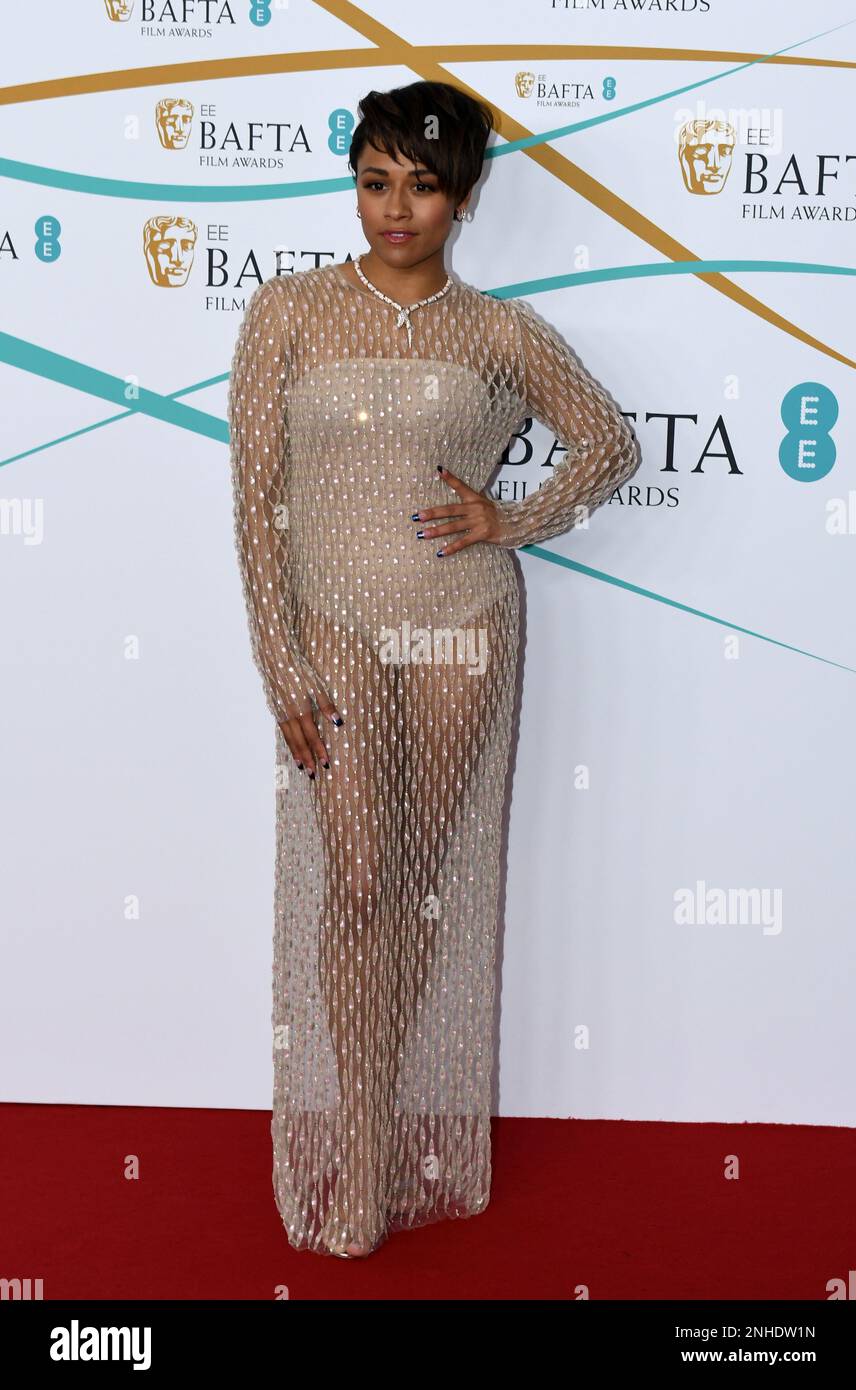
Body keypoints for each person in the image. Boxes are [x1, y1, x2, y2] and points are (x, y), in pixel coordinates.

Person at [228, 79, 639, 1259]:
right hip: (332, 625)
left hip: (461, 627)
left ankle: (391, 1115)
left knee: (414, 883)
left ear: (463, 195)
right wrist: (279, 661)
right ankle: (357, 1158)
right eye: (372, 181)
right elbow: (258, 507)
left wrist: (511, 519)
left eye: (418, 183)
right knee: (357, 882)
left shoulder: (497, 332)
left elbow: (606, 441)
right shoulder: (287, 314)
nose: (392, 207)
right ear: (351, 184)